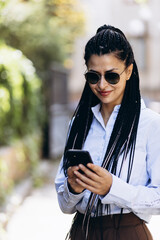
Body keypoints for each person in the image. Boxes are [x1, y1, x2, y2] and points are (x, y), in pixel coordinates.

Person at [55, 24, 160, 240]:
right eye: (94, 76)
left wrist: (112, 188)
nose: (102, 85)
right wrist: (73, 188)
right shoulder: (78, 124)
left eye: (112, 76)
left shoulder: (150, 124)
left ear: (129, 71)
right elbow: (65, 206)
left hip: (129, 233)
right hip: (83, 233)